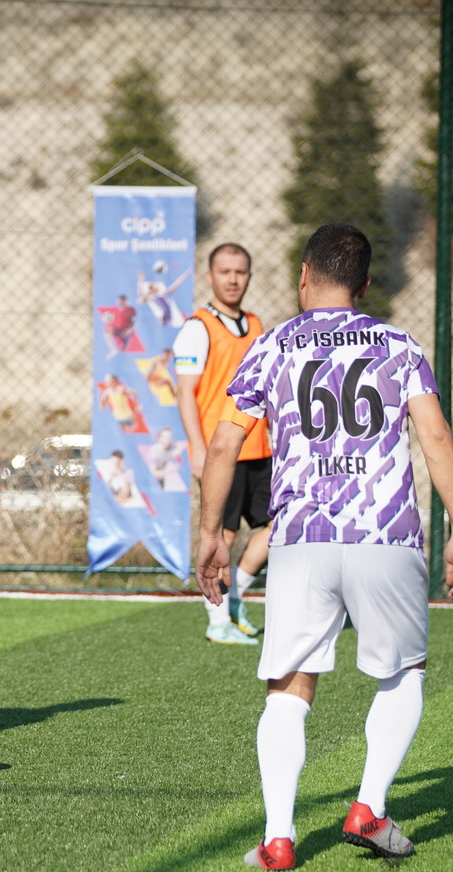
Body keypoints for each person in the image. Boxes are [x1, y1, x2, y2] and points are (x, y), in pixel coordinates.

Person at [194, 222, 453, 871]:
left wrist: (211, 534)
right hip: (386, 535)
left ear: (303, 275)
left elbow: (224, 443)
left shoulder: (272, 344)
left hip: (301, 538)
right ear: (365, 284)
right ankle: (368, 807)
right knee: (403, 672)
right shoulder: (398, 345)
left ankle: (278, 838)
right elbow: (435, 437)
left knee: (289, 688)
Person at [175, 242, 269, 646]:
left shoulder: (257, 324)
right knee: (222, 536)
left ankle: (236, 596)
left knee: (281, 525)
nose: (233, 279)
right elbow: (184, 393)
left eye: (240, 271)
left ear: (249, 276)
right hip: (221, 452)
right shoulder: (198, 327)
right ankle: (217, 622)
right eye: (225, 271)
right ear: (210, 276)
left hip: (260, 448)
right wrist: (198, 448)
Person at [102, 294, 138, 359]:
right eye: (118, 302)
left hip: (126, 333)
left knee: (124, 350)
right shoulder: (121, 310)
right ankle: (113, 349)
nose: (119, 303)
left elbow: (135, 322)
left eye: (120, 302)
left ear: (125, 301)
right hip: (120, 331)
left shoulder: (131, 309)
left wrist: (129, 330)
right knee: (107, 330)